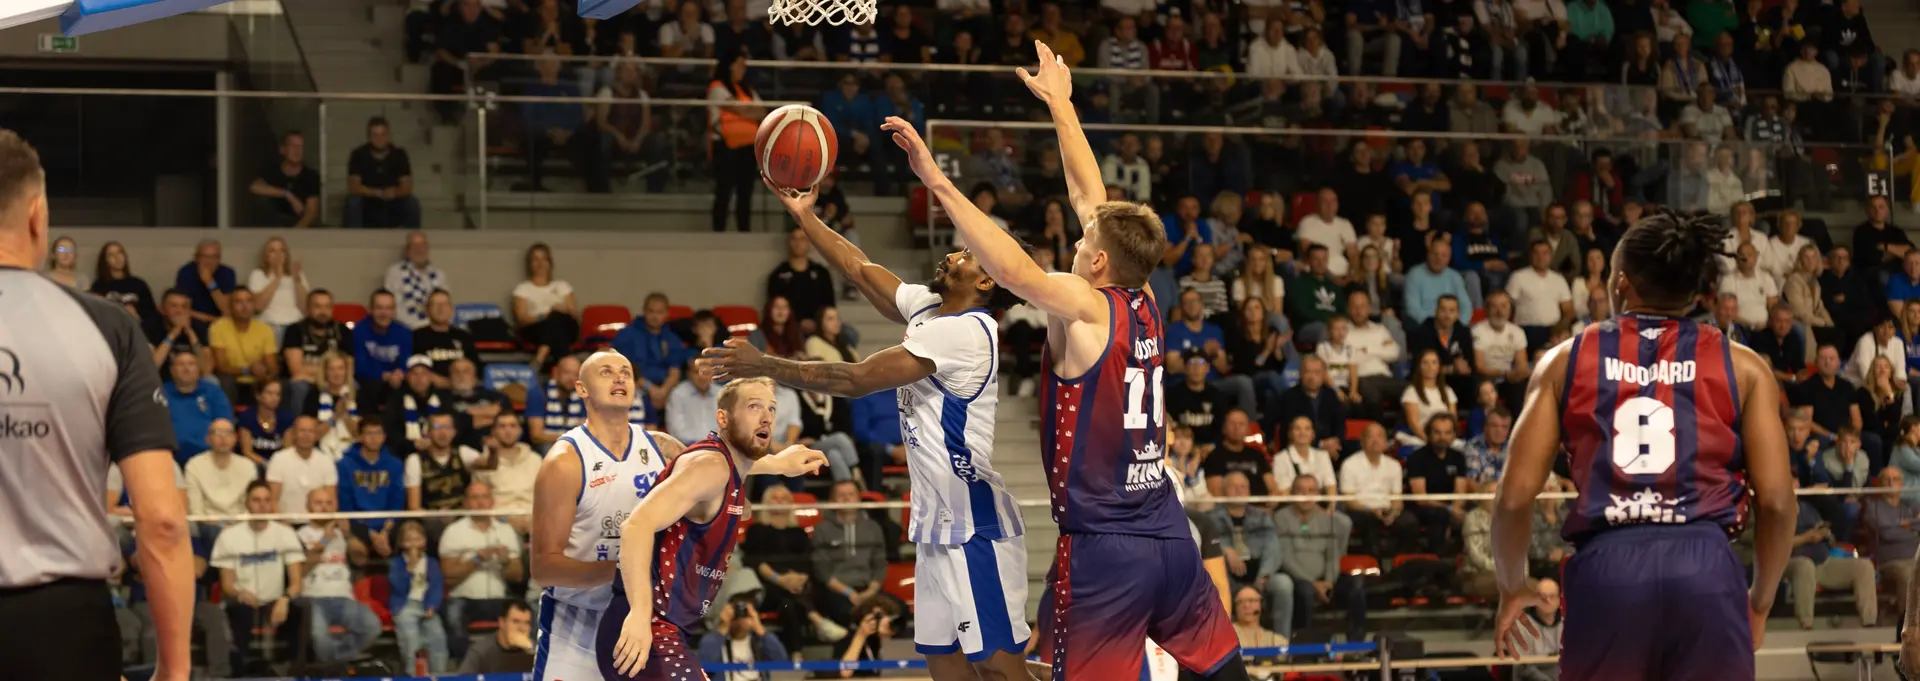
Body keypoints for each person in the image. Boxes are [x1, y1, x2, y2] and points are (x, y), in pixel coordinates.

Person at [890, 42, 1248, 681]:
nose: (1080, 239)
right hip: (1169, 531)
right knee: (1223, 673)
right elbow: (1094, 198)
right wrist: (1061, 104)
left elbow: (1009, 268)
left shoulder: (1084, 305)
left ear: (1100, 261)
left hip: (1107, 550)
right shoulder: (1145, 298)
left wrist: (936, 180)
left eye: (1085, 241)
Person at [702, 177, 1034, 681]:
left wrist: (761, 364)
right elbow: (858, 267)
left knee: (999, 668)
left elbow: (853, 379)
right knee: (944, 664)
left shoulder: (966, 331)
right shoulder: (932, 307)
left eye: (967, 254)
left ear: (986, 282)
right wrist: (805, 215)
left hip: (972, 525)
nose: (953, 253)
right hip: (933, 524)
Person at [1491, 211, 1795, 680]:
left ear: (1620, 284)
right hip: (1707, 569)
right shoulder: (1746, 366)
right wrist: (1759, 599)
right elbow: (1776, 500)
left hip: (1608, 570)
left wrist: (1511, 586)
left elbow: (1513, 497)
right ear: (1695, 292)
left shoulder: (1563, 360)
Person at [0, 129, 193, 681]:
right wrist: (174, 673)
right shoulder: (106, 327)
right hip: (61, 629)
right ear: (38, 216)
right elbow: (160, 521)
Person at [599, 377, 826, 678]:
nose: (767, 416)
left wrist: (778, 464)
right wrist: (640, 615)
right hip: (645, 631)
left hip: (666, 631)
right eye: (754, 406)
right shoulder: (711, 466)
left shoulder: (726, 464)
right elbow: (636, 527)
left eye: (771, 408)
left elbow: (739, 463)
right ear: (723, 417)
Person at [526, 350, 675, 681]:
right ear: (582, 389)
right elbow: (543, 568)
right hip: (576, 627)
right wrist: (624, 571)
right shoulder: (564, 461)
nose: (620, 377)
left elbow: (731, 501)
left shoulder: (661, 448)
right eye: (606, 372)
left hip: (643, 622)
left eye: (626, 372)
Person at [457, 600, 537, 673]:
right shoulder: (481, 651)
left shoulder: (535, 652)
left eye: (527, 623)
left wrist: (533, 652)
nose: (521, 629)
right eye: (515, 622)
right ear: (502, 622)